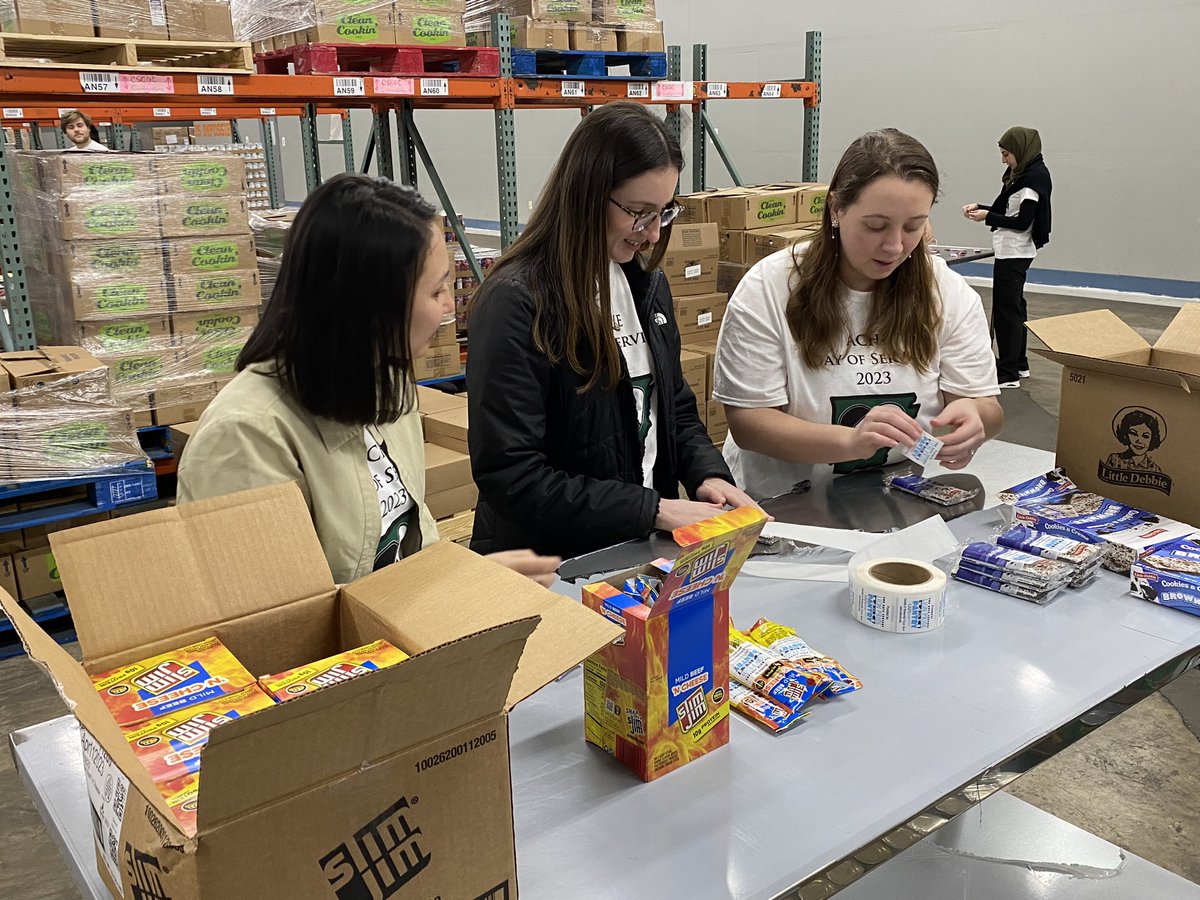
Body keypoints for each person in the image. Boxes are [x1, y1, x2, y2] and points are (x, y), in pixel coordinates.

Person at [177, 174, 559, 586]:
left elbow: (414, 541)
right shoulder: (246, 438)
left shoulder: (388, 385)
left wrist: (471, 578)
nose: (451, 307)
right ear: (370, 308)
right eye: (435, 293)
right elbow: (274, 622)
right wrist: (459, 589)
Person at [467, 101, 756, 560]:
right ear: (587, 194)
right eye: (639, 212)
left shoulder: (644, 284)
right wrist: (653, 509)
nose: (653, 234)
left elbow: (674, 407)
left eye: (664, 212)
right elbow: (513, 474)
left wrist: (708, 476)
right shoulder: (517, 302)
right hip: (553, 564)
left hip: (638, 547)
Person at [712, 128, 1004, 501]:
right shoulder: (770, 288)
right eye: (876, 226)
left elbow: (988, 407)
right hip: (782, 504)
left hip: (895, 498)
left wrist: (973, 417)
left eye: (913, 226)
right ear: (836, 208)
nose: (895, 245)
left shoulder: (946, 292)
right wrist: (851, 441)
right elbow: (750, 424)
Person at [963, 126, 1052, 388]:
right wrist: (983, 208)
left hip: (1015, 252)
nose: (1004, 160)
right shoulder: (1025, 175)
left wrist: (987, 217)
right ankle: (1019, 363)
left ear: (1020, 151)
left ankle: (1009, 371)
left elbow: (1023, 221)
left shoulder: (1032, 179)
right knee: (1015, 308)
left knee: (1006, 311)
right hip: (1012, 251)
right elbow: (1012, 211)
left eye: (1006, 154)